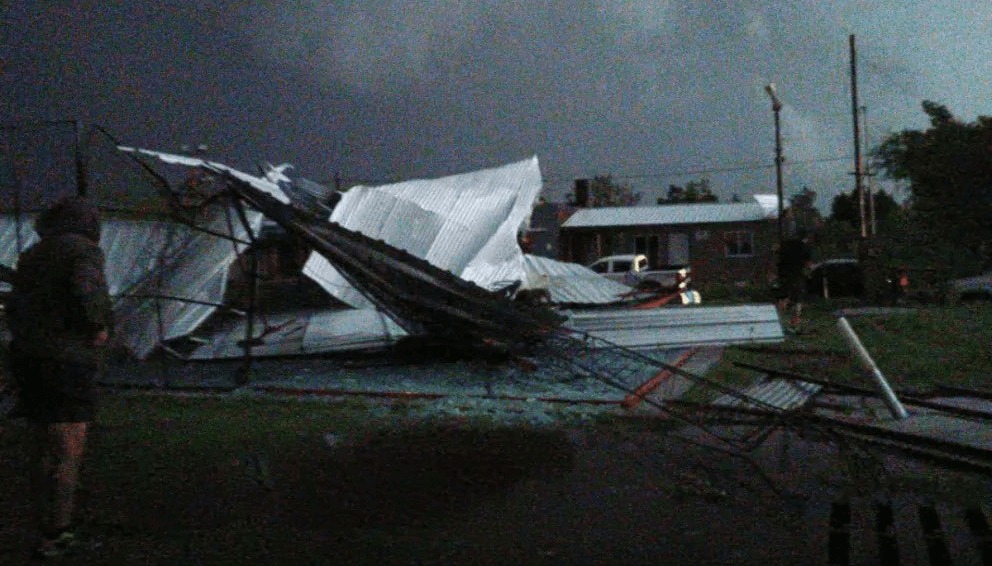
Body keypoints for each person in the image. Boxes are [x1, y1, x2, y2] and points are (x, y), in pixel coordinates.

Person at [6, 196, 114, 559]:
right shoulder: (82, 251)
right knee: (68, 450)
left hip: (30, 359)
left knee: (41, 446)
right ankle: (58, 532)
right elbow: (87, 291)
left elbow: (17, 306)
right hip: (67, 362)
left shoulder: (33, 255)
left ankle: (44, 525)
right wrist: (97, 326)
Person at [776, 229, 813, 332]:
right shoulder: (805, 247)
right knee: (797, 300)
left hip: (784, 275)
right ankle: (794, 323)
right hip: (797, 276)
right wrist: (809, 272)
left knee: (783, 298)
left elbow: (778, 257)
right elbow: (808, 264)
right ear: (805, 237)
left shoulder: (786, 245)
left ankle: (778, 321)